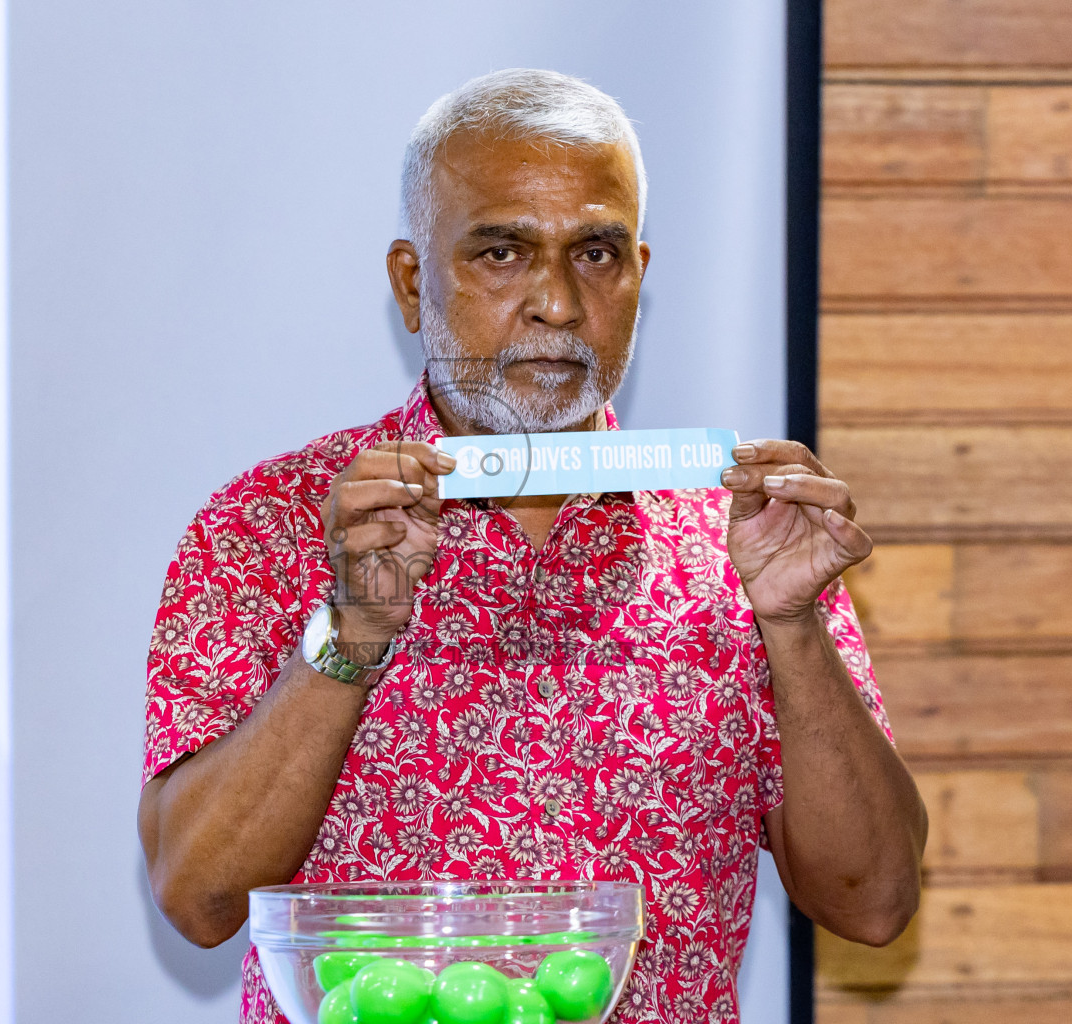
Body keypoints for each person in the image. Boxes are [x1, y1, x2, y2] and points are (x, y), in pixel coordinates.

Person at [138, 68, 926, 1023]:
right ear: (410, 283)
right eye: (502, 252)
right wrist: (350, 633)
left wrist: (792, 626)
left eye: (595, 253)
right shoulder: (268, 525)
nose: (556, 301)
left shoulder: (738, 536)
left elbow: (873, 903)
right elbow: (200, 899)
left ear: (639, 272)